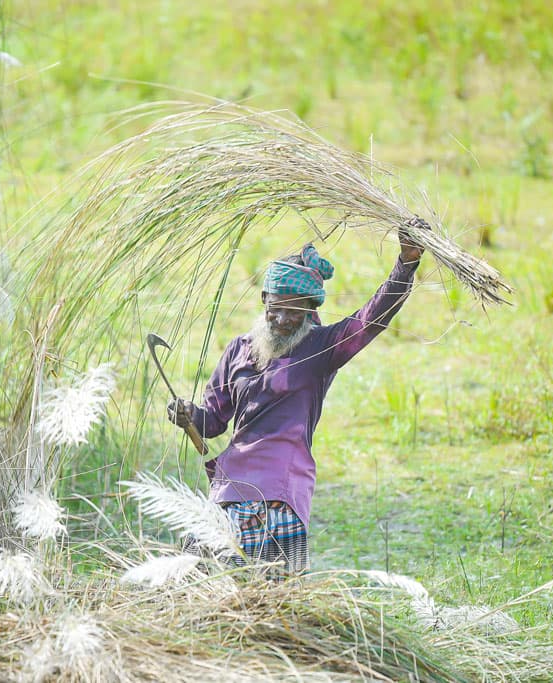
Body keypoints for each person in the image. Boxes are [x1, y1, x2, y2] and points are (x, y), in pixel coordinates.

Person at [168, 218, 429, 575]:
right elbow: (212, 422)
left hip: (280, 488)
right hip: (230, 485)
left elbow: (371, 320)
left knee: (272, 596)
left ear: (310, 311)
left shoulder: (320, 349)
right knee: (199, 579)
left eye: (294, 310)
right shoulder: (238, 350)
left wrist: (407, 263)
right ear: (264, 300)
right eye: (276, 307)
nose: (282, 318)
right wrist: (187, 415)